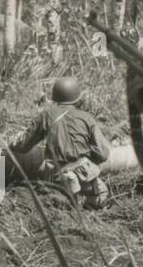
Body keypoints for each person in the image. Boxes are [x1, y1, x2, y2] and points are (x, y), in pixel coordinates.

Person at [9, 77, 111, 208]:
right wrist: (88, 159)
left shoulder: (46, 116)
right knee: (102, 195)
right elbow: (103, 153)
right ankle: (83, 209)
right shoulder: (87, 118)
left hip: (56, 176)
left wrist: (9, 142)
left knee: (59, 202)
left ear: (55, 97)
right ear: (77, 97)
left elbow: (22, 145)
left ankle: (66, 203)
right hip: (83, 173)